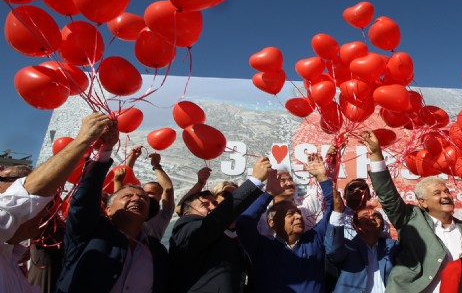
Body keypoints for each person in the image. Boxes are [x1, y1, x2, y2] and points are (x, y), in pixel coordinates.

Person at [1, 113, 112, 293]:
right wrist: (83, 140)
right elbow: (22, 200)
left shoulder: (13, 263)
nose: (41, 213)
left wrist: (99, 150)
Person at [56, 120, 170, 293]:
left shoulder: (157, 252)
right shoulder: (88, 234)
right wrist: (104, 152)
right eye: (127, 196)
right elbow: (84, 200)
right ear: (107, 210)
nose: (136, 199)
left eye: (143, 198)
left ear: (148, 214)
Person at [359, 130, 462, 293]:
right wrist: (376, 154)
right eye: (437, 193)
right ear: (422, 202)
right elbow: (388, 196)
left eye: (447, 191)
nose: (445, 196)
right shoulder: (411, 220)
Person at [168, 158, 271, 292]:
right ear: (187, 214)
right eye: (205, 204)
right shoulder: (186, 227)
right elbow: (211, 222)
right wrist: (255, 181)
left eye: (215, 204)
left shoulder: (234, 237)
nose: (213, 207)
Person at [236, 152, 334, 292]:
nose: (299, 217)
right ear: (271, 222)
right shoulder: (262, 248)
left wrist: (323, 178)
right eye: (290, 214)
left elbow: (335, 211)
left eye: (298, 213)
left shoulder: (314, 241)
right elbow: (244, 223)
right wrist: (268, 193)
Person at [325, 201, 398, 293]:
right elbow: (333, 251)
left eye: (376, 216)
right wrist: (338, 213)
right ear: (356, 225)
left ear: (382, 225)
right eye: (365, 215)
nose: (371, 217)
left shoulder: (393, 247)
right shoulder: (347, 247)